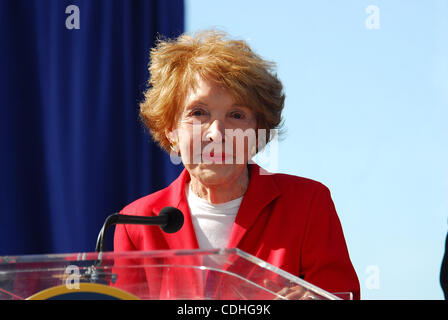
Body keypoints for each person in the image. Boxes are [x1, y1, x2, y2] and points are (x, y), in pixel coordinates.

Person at [113, 30, 360, 300]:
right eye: (198, 113)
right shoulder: (138, 223)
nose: (217, 133)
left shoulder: (308, 204)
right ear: (171, 130)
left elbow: (340, 294)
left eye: (236, 115)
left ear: (258, 132)